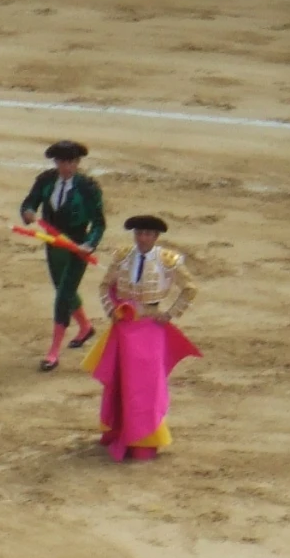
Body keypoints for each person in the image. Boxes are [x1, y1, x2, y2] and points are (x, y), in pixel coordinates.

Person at [85, 212, 195, 453]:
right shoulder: (122, 257)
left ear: (156, 237)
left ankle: (145, 441)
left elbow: (189, 289)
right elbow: (105, 286)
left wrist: (170, 314)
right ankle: (118, 431)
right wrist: (111, 309)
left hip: (150, 327)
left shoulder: (168, 260)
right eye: (139, 233)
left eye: (147, 234)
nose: (142, 238)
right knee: (122, 381)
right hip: (124, 327)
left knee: (147, 386)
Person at [21, 141, 105, 372]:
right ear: (56, 162)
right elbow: (30, 202)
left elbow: (99, 223)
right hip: (53, 244)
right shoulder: (46, 180)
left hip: (77, 247)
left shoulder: (88, 188)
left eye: (70, 162)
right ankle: (86, 327)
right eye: (61, 162)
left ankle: (54, 352)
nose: (66, 167)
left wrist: (89, 244)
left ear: (77, 162)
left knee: (64, 293)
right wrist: (27, 212)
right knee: (62, 289)